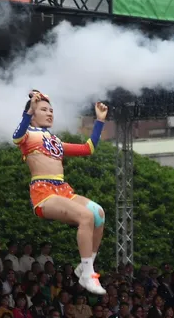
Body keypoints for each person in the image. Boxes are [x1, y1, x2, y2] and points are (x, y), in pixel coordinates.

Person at [12, 90, 108, 296]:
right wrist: (28, 112)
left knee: (98, 213)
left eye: (51, 110)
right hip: (43, 193)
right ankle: (89, 274)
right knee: (85, 216)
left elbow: (88, 148)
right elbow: (16, 136)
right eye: (44, 110)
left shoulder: (55, 140)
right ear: (32, 113)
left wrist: (99, 121)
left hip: (63, 190)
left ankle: (86, 265)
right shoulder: (27, 135)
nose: (49, 113)